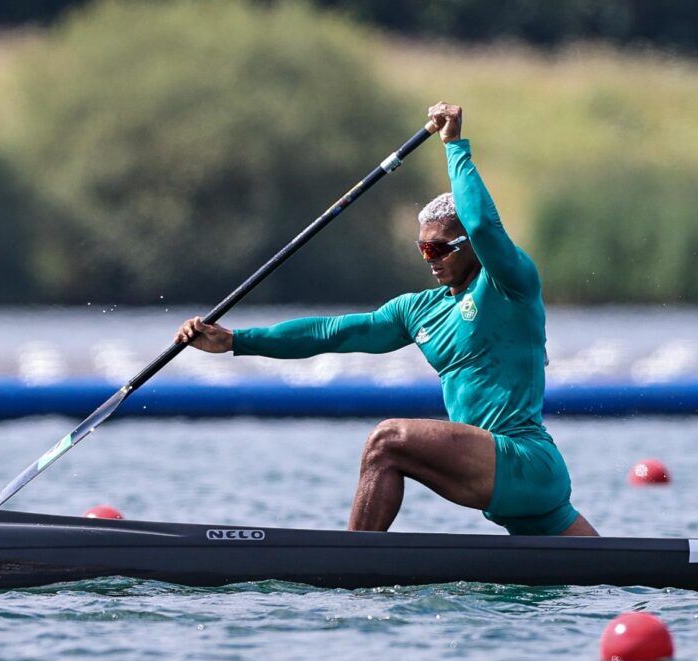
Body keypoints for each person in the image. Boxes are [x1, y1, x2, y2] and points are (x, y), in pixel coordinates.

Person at [175, 102, 599, 536]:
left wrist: (454, 145)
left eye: (439, 249)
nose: (429, 259)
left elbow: (486, 226)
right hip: (508, 487)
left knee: (386, 441)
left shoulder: (510, 284)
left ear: (469, 245)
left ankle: (350, 563)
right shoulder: (417, 310)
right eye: (422, 250)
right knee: (608, 576)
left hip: (523, 460)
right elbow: (331, 333)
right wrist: (236, 341)